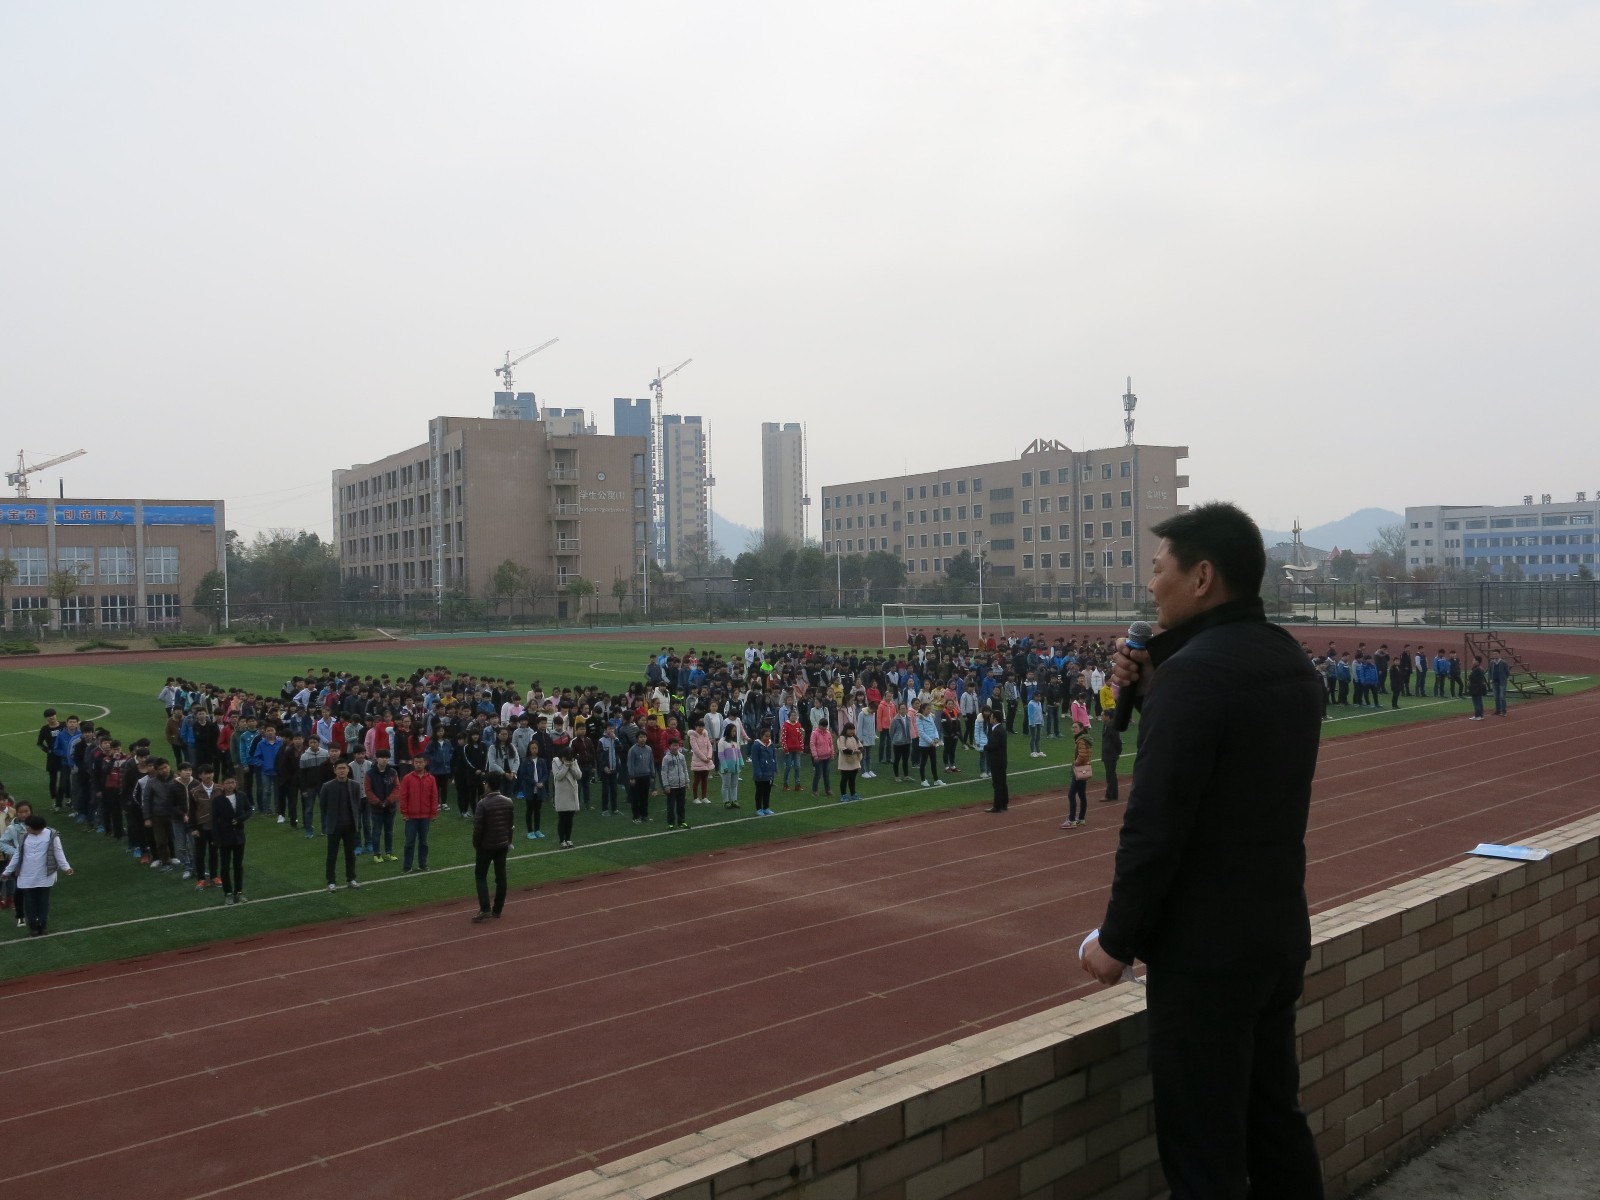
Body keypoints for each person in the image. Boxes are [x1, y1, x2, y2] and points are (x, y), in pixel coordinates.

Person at [1081, 502, 1324, 1200]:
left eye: (1159, 568)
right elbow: (1235, 764)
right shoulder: (1287, 659)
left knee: (1203, 1154)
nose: (1150, 584)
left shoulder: (1195, 679)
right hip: (1275, 931)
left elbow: (1156, 826)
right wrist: (1156, 682)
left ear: (1202, 577)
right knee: (1274, 1124)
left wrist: (1117, 940)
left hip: (1206, 955)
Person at [3, 814, 72, 935]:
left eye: (29, 827)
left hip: (44, 875)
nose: (27, 828)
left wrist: (66, 867)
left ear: (37, 828)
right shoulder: (24, 837)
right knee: (29, 903)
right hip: (26, 875)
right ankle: (33, 927)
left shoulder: (51, 835)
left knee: (43, 902)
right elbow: (17, 855)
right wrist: (7, 871)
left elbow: (58, 852)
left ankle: (43, 925)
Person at [471, 772, 515, 921]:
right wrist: (508, 841)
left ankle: (485, 909)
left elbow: (478, 828)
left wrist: (476, 844)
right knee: (501, 877)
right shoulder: (508, 802)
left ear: (488, 785)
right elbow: (510, 826)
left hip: (486, 846)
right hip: (502, 844)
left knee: (480, 876)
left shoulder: (482, 804)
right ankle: (497, 909)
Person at [321, 760, 364, 891]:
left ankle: (351, 879)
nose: (342, 771)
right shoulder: (327, 787)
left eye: (344, 768)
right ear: (335, 770)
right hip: (334, 826)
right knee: (332, 855)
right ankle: (331, 882)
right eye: (339, 768)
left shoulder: (355, 786)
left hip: (350, 826)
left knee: (350, 854)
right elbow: (323, 806)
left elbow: (357, 805)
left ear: (348, 770)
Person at [397, 754, 440, 872]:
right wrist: (404, 813)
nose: (418, 764)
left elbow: (434, 797)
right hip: (411, 817)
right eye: (416, 762)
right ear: (413, 763)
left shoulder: (431, 779)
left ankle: (423, 864)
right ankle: (407, 866)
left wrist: (433, 813)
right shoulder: (407, 778)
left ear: (425, 763)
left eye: (421, 762)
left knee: (424, 842)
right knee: (409, 842)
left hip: (425, 816)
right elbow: (403, 797)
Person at [211, 776, 251, 903]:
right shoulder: (218, 800)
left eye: (232, 782)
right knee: (225, 866)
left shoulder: (241, 796)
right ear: (223, 785)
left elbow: (249, 810)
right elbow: (214, 821)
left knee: (238, 865)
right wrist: (216, 838)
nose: (230, 785)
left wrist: (240, 819)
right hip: (224, 837)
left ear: (236, 784)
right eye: (227, 783)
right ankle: (228, 893)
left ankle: (239, 892)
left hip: (239, 836)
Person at [364, 749, 400, 860]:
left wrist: (389, 801)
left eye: (386, 758)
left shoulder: (393, 772)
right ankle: (377, 853)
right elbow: (368, 790)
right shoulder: (370, 774)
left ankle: (389, 852)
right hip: (376, 808)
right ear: (377, 758)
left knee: (389, 831)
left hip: (390, 807)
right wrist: (378, 802)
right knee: (376, 831)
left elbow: (397, 788)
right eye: (382, 757)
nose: (384, 760)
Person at [551, 745, 582, 848]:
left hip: (571, 793)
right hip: (561, 794)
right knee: (562, 818)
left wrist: (571, 766)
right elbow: (558, 776)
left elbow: (579, 776)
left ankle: (568, 839)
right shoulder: (555, 762)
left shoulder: (574, 761)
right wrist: (565, 766)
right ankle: (562, 840)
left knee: (570, 819)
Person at [1063, 721, 1091, 828]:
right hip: (1085, 769)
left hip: (1079, 770)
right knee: (1082, 795)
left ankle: (1071, 820)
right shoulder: (1086, 738)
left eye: (1075, 727)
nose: (1073, 729)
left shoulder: (1081, 740)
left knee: (1071, 795)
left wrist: (1075, 763)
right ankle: (1081, 818)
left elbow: (1082, 755)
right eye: (1072, 727)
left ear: (1081, 728)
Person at [660, 737, 690, 829]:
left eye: (677, 745)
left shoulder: (682, 757)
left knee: (681, 805)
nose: (675, 747)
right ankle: (671, 823)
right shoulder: (666, 758)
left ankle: (681, 822)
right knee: (671, 806)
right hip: (671, 786)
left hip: (681, 785)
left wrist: (687, 782)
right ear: (669, 746)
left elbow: (685, 769)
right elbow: (664, 772)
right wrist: (666, 785)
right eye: (673, 745)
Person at [626, 731, 655, 823]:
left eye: (644, 737)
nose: (643, 739)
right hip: (636, 777)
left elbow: (651, 762)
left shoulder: (649, 749)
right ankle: (636, 817)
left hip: (646, 775)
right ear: (637, 739)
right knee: (635, 798)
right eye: (641, 737)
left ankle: (644, 815)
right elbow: (630, 764)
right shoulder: (633, 750)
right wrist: (632, 777)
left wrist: (652, 775)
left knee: (644, 797)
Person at [749, 725, 778, 816]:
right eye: (766, 736)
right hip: (760, 773)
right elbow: (755, 760)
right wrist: (758, 771)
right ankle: (759, 809)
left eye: (769, 736)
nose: (768, 738)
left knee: (767, 791)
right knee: (760, 791)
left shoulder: (771, 745)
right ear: (761, 736)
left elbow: (774, 757)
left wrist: (775, 767)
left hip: (769, 773)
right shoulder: (756, 746)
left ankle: (766, 807)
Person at [984, 708, 1008, 813]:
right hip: (1001, 760)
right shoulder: (1001, 729)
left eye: (991, 716)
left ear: (995, 719)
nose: (990, 718)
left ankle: (997, 805)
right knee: (1002, 782)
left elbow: (994, 746)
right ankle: (1004, 803)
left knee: (997, 783)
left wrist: (985, 747)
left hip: (996, 761)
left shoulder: (997, 731)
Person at [1099, 708, 1122, 803]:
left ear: (1108, 717)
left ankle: (1109, 795)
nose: (1101, 717)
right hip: (1107, 753)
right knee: (1112, 774)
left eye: (1102, 715)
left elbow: (1117, 741)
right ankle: (1114, 795)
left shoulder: (1112, 727)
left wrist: (1118, 752)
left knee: (1110, 775)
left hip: (1111, 754)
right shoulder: (1106, 725)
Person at [836, 722, 863, 803]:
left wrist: (859, 751)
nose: (852, 731)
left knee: (852, 779)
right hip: (845, 763)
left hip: (855, 762)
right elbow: (842, 749)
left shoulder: (855, 737)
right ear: (846, 730)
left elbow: (860, 746)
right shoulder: (841, 738)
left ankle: (853, 794)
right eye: (850, 729)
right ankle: (843, 795)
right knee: (844, 779)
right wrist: (853, 752)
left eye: (853, 729)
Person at [717, 725, 744, 808]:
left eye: (735, 731)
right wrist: (724, 766)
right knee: (726, 785)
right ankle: (726, 801)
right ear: (728, 731)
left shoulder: (735, 742)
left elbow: (739, 753)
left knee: (734, 785)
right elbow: (721, 755)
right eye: (733, 731)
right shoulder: (722, 742)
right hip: (727, 768)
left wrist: (741, 762)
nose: (734, 733)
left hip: (736, 767)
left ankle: (734, 800)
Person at [1489, 651, 1512, 716]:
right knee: (1496, 697)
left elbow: (1507, 672)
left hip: (1502, 682)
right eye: (1494, 654)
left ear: (1499, 654)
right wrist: (1491, 679)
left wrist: (1505, 678)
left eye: (1496, 654)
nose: (1495, 655)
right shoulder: (1492, 662)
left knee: (1502, 697)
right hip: (1494, 682)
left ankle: (1504, 711)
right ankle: (1498, 710)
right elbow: (1490, 671)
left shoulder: (1503, 663)